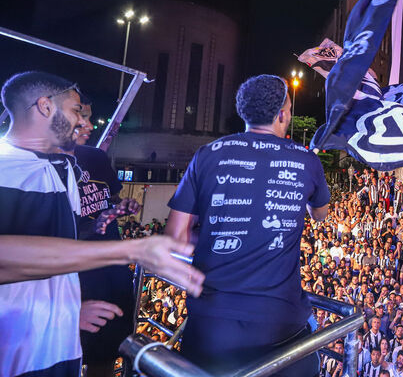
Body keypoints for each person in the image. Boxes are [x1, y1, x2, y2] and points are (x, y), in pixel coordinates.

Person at [0, 71, 203, 377]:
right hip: (14, 353)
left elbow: (56, 257)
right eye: (75, 111)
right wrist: (132, 250)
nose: (84, 123)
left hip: (55, 349)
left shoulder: (62, 168)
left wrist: (69, 312)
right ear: (45, 107)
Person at [165, 74, 330, 375]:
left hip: (211, 325)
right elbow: (320, 213)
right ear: (282, 114)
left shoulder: (207, 154)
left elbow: (174, 239)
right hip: (281, 325)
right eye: (290, 108)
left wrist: (216, 241)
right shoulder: (306, 160)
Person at [61, 100, 139, 377]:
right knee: (67, 351)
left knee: (107, 350)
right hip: (74, 272)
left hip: (112, 269)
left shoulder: (95, 157)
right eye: (81, 116)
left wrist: (121, 208)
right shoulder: (46, 164)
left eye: (90, 117)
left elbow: (108, 203)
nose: (90, 126)